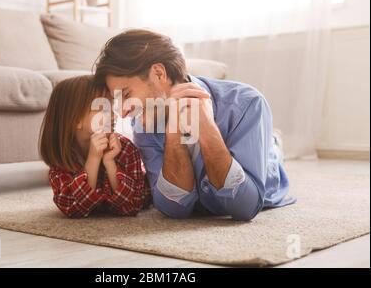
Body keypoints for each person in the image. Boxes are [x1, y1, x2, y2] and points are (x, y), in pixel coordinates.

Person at [95, 29, 296, 221]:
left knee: (269, 151)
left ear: (158, 73)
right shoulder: (144, 124)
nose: (122, 112)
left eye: (126, 95)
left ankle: (272, 143)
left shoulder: (247, 104)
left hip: (264, 162)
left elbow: (245, 207)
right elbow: (172, 209)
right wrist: (174, 134)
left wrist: (207, 129)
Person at [39, 75, 151, 218]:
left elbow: (130, 207)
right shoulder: (62, 158)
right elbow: (73, 209)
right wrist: (93, 159)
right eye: (102, 108)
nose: (113, 115)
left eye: (111, 106)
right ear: (75, 120)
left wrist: (110, 163)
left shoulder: (125, 149)